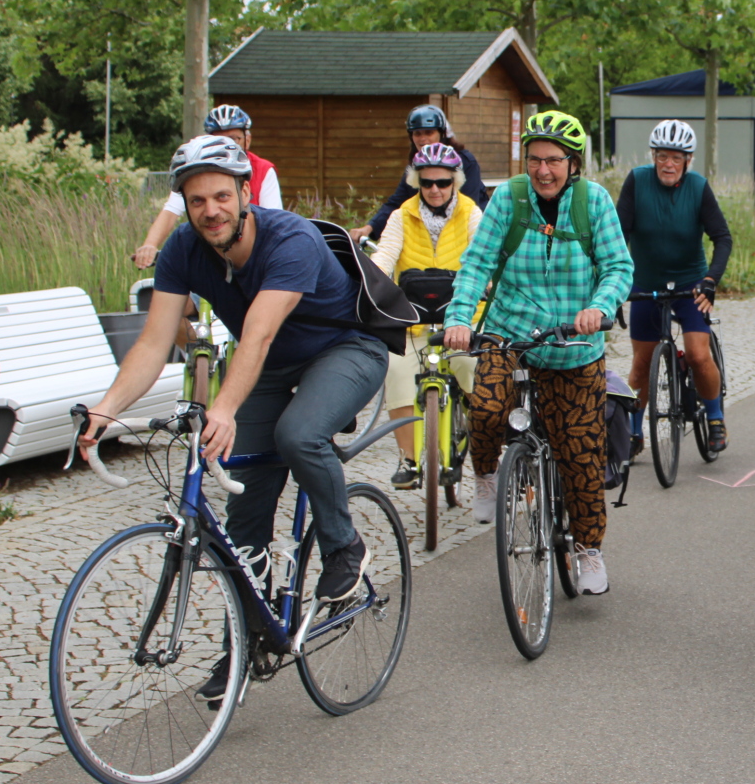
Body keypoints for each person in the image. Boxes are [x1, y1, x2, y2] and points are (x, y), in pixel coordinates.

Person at [83, 136, 389, 699]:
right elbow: (153, 343)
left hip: (345, 350)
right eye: (197, 200)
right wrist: (106, 409)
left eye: (222, 196)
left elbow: (259, 332)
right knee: (244, 509)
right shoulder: (182, 249)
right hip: (267, 364)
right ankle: (245, 645)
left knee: (298, 434)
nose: (211, 211)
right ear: (184, 203)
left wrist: (222, 408)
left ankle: (343, 546)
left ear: (246, 193)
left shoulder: (289, 239)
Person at [441, 111, 632, 593]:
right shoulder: (508, 199)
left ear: (573, 163)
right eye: (534, 160)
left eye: (553, 161)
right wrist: (460, 318)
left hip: (573, 343)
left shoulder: (594, 202)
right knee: (486, 408)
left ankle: (587, 549)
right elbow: (476, 264)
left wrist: (600, 306)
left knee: (580, 456)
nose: (543, 170)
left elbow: (617, 267)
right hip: (510, 332)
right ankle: (487, 475)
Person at [368, 141, 483, 488]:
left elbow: (483, 256)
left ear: (455, 182)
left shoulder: (471, 213)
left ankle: (483, 446)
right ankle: (409, 459)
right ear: (416, 182)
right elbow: (385, 255)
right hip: (413, 319)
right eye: (427, 182)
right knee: (397, 372)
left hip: (461, 317)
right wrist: (371, 283)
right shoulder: (402, 215)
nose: (434, 189)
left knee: (474, 371)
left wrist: (489, 283)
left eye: (443, 182)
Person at [617, 119, 734, 456]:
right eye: (662, 156)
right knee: (641, 363)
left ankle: (715, 417)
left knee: (697, 354)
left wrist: (710, 280)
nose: (668, 164)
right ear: (653, 157)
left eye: (677, 158)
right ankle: (634, 432)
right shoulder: (637, 181)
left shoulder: (698, 187)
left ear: (688, 161)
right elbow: (617, 235)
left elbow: (722, 238)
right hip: (646, 282)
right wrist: (614, 286)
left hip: (691, 284)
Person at [132, 105, 282, 268]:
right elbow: (171, 210)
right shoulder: (196, 169)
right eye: (218, 139)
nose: (226, 145)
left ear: (248, 139)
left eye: (234, 139)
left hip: (252, 257)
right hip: (211, 253)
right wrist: (150, 245)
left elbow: (273, 220)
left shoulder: (263, 170)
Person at [354, 105, 489, 242]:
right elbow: (396, 203)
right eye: (417, 134)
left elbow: (468, 207)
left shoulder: (465, 162)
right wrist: (369, 228)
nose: (422, 138)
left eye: (429, 133)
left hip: (469, 235)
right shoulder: (416, 166)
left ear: (442, 134)